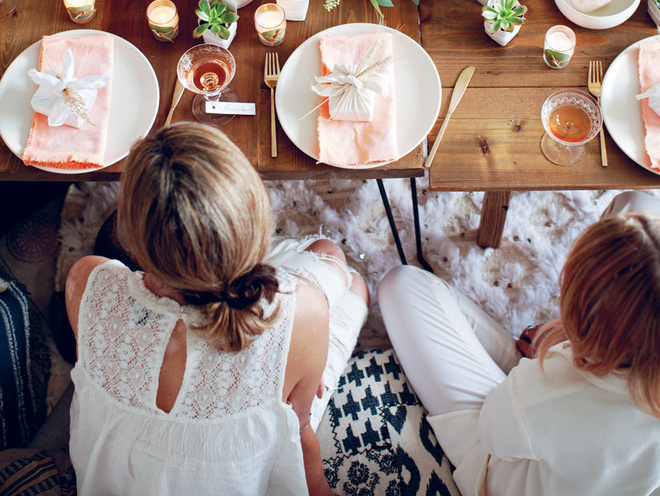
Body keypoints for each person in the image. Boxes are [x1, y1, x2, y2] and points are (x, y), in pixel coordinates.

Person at [65, 123, 369, 496]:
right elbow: (299, 427)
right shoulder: (302, 311)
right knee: (345, 273)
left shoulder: (87, 281)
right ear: (255, 216)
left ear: (131, 238)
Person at [378, 190, 660, 496]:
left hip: (502, 462)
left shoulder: (549, 388)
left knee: (401, 284)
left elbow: (492, 433)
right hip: (589, 437)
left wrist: (552, 351)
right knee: (639, 204)